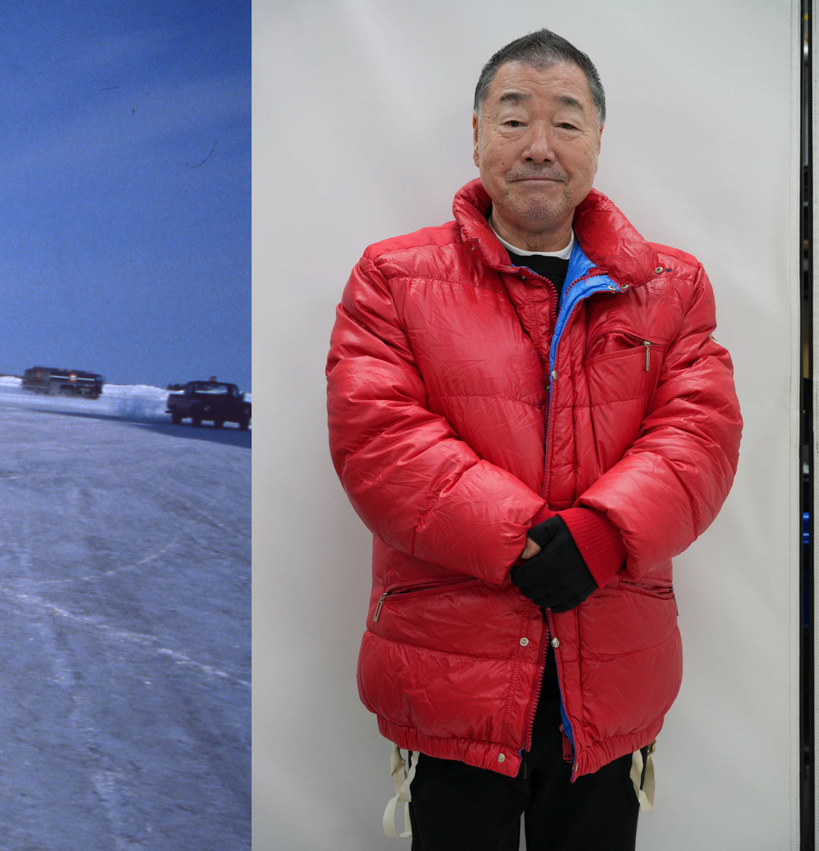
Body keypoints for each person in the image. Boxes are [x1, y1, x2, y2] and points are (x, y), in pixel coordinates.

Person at [325, 30, 741, 850]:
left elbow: (702, 432)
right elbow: (378, 436)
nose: (539, 147)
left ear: (597, 141)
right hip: (450, 675)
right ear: (476, 133)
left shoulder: (673, 286)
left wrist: (602, 533)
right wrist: (519, 538)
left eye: (567, 122)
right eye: (513, 121)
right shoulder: (391, 278)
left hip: (612, 675)